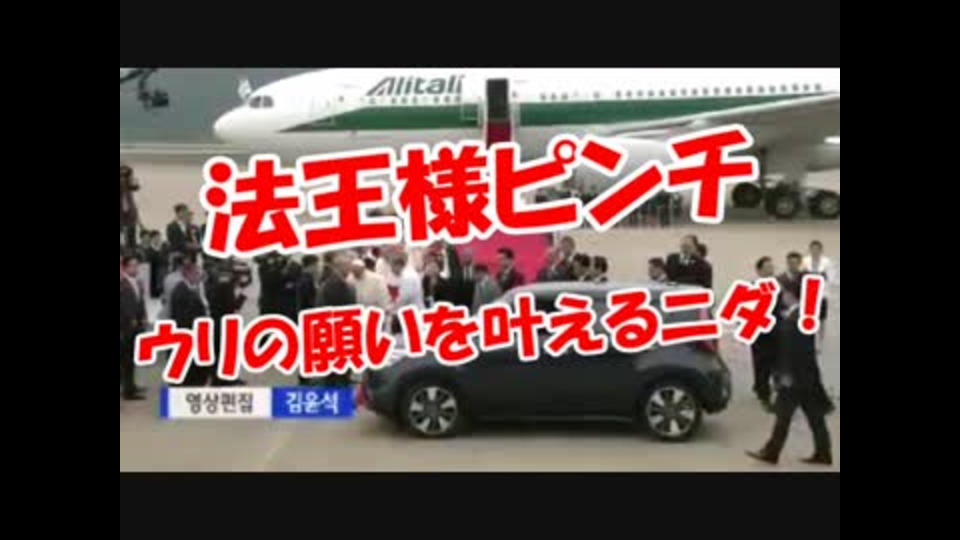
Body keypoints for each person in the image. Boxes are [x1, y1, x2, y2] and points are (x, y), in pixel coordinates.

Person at [747, 288, 834, 466]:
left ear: (792, 296)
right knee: (814, 416)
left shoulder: (795, 320)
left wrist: (785, 374)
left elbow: (793, 351)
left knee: (783, 416)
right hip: (806, 376)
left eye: (785, 293)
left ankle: (772, 452)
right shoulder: (801, 316)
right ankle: (823, 452)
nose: (783, 297)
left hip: (794, 377)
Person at [780, 251, 835, 415]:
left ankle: (816, 401)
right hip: (789, 327)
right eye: (790, 262)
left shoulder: (808, 279)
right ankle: (793, 401)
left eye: (795, 262)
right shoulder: (781, 279)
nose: (793, 265)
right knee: (791, 365)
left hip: (803, 328)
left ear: (800, 263)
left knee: (807, 366)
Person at [317, 250, 358, 388]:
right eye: (348, 266)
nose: (350, 269)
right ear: (340, 266)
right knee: (339, 373)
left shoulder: (329, 282)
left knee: (332, 372)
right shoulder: (338, 284)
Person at [206, 258, 249, 386]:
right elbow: (232, 306)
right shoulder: (226, 284)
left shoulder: (212, 280)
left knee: (219, 351)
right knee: (225, 351)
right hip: (225, 320)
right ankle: (224, 378)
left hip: (215, 319)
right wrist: (242, 296)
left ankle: (220, 378)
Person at [169, 260, 209, 386]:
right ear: (188, 274)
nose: (199, 276)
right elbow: (183, 316)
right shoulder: (181, 291)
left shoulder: (191, 288)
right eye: (196, 273)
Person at [752, 257, 778, 410]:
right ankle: (764, 396)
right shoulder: (753, 288)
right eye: (767, 267)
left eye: (772, 267)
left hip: (776, 332)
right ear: (759, 271)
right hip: (759, 332)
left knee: (777, 364)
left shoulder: (778, 287)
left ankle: (762, 388)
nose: (771, 270)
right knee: (761, 365)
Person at [120, 254, 147, 400]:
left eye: (137, 265)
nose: (135, 268)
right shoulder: (122, 284)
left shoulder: (137, 282)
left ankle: (131, 385)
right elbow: (124, 307)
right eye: (132, 266)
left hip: (136, 325)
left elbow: (139, 302)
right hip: (126, 327)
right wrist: (130, 319)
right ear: (124, 268)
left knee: (132, 358)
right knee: (126, 360)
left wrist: (143, 317)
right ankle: (128, 390)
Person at [802, 240, 837, 352]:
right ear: (810, 249)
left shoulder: (827, 262)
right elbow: (801, 276)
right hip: (809, 295)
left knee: (821, 321)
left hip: (822, 295)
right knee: (809, 319)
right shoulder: (805, 261)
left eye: (817, 249)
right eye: (813, 249)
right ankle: (809, 342)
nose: (815, 251)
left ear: (821, 250)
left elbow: (832, 278)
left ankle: (819, 344)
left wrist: (820, 276)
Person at [385, 251, 425, 334]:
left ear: (399, 265)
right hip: (405, 313)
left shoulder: (409, 276)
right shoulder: (401, 274)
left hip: (412, 313)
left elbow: (404, 297)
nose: (391, 269)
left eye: (392, 266)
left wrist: (390, 308)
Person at [120, 164, 141, 250]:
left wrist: (131, 178)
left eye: (125, 176)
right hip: (121, 216)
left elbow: (136, 186)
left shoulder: (128, 187)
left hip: (130, 215)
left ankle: (131, 250)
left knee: (131, 234)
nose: (123, 179)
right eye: (121, 176)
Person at [143, 231, 169, 299]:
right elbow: (148, 263)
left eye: (159, 237)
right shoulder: (148, 250)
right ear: (152, 239)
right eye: (156, 238)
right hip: (153, 275)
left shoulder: (164, 249)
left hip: (163, 274)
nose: (158, 239)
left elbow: (166, 260)